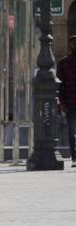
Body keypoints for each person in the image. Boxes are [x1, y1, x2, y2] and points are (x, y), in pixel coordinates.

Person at [57, 35, 76, 166]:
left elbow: (60, 85)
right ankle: (74, 158)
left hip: (69, 102)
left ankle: (75, 158)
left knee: (72, 132)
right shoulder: (63, 63)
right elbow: (60, 85)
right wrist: (62, 103)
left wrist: (62, 103)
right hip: (70, 103)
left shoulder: (63, 63)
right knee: (72, 131)